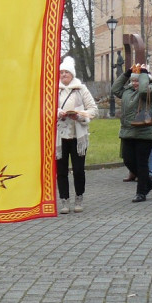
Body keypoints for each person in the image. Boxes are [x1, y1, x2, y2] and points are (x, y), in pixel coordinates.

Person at [112, 63, 152, 203]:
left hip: (146, 131)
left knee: (141, 162)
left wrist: (144, 73)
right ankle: (148, 183)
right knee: (128, 160)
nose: (134, 83)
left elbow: (144, 91)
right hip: (128, 131)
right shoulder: (127, 91)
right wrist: (126, 74)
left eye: (137, 80)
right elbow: (115, 89)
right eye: (133, 80)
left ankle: (141, 192)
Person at [55, 56, 97, 214]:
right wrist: (57, 112)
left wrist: (78, 115)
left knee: (79, 170)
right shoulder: (54, 89)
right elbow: (45, 108)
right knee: (61, 170)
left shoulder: (81, 89)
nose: (63, 75)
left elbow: (93, 110)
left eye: (66, 72)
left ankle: (79, 198)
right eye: (61, 72)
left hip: (77, 136)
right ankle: (64, 200)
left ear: (72, 74)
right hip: (59, 137)